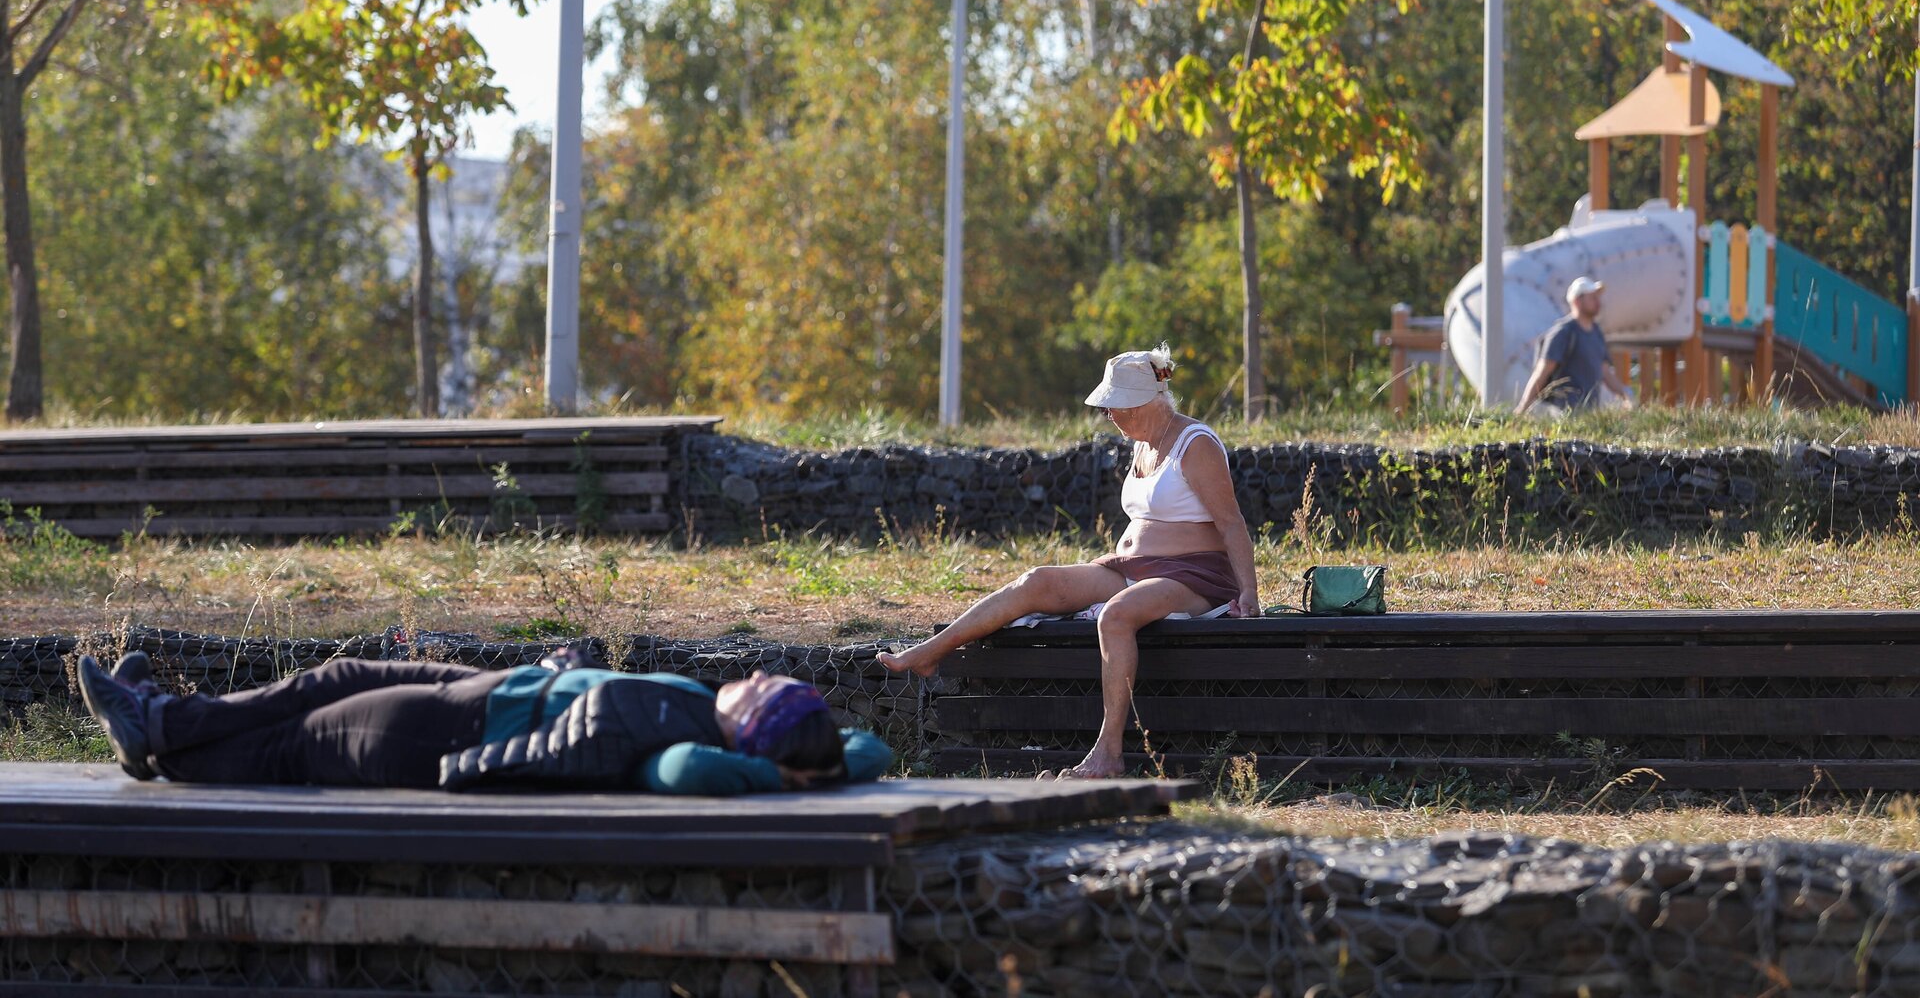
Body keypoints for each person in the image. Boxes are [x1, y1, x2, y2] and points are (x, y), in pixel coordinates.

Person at [879, 345, 1259, 780]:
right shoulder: (1142, 445)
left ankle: (1108, 753)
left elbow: (1231, 523)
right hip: (1132, 568)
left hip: (1195, 575)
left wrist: (1248, 591)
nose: (1111, 417)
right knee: (1036, 581)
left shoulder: (1196, 444)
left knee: (1116, 617)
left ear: (1149, 401)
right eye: (1108, 408)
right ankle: (932, 651)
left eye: (1118, 407)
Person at [76, 647, 891, 794]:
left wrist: (772, 775)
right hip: (499, 691)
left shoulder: (688, 749)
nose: (750, 672)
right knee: (335, 677)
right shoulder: (732, 730)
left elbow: (687, 776)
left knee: (302, 744)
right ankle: (164, 720)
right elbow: (870, 745)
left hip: (460, 735)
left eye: (760, 686)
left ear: (750, 731)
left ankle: (160, 735)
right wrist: (820, 767)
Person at [1517, 276, 1634, 413]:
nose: (1598, 302)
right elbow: (1542, 372)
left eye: (1598, 297)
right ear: (1577, 301)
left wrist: (1626, 394)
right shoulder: (1563, 332)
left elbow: (1605, 373)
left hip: (1588, 414)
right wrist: (1522, 409)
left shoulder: (1597, 333)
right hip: (1562, 414)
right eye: (1592, 297)